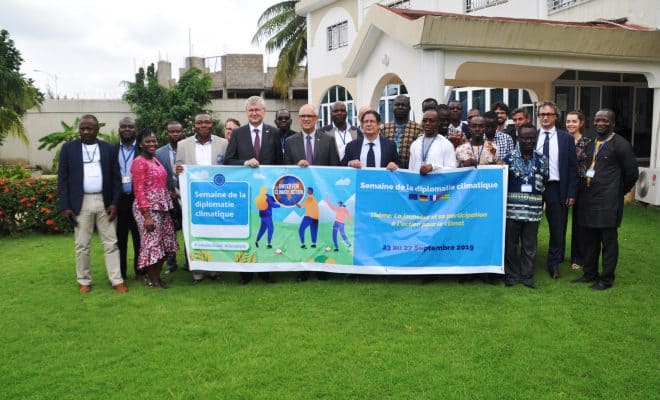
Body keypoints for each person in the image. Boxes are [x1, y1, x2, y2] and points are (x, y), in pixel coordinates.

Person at [57, 114, 127, 293]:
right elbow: (62, 180)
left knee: (111, 242)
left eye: (90, 128)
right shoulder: (68, 149)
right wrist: (65, 206)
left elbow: (116, 179)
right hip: (81, 202)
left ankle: (116, 279)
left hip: (105, 201)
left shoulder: (108, 149)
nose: (86, 131)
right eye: (83, 128)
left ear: (97, 130)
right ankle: (84, 281)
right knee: (82, 244)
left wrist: (114, 203)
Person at [572, 109, 638, 290]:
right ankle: (589, 274)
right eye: (597, 120)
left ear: (613, 123)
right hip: (589, 200)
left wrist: (618, 191)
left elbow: (632, 173)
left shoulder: (621, 144)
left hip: (608, 202)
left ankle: (606, 279)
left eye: (604, 121)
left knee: (608, 242)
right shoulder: (592, 143)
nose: (600, 123)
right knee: (590, 240)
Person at [224, 96, 281, 284]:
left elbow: (280, 164)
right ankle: (245, 272)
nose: (254, 113)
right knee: (247, 230)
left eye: (257, 110)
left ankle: (265, 270)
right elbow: (228, 160)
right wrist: (245, 162)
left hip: (266, 195)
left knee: (264, 231)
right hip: (245, 195)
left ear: (264, 112)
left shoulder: (273, 132)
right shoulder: (238, 133)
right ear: (246, 112)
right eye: (251, 110)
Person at [175, 112, 228, 285]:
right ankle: (197, 272)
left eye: (207, 122)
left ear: (212, 125)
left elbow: (229, 169)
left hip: (217, 198)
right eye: (200, 123)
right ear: (195, 126)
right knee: (195, 233)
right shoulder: (183, 145)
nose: (203, 125)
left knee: (216, 232)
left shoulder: (223, 143)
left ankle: (215, 270)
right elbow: (178, 169)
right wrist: (178, 171)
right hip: (194, 199)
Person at [131, 129, 179, 288]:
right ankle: (153, 280)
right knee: (152, 244)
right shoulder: (139, 161)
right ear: (140, 144)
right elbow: (138, 190)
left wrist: (169, 194)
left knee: (163, 243)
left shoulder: (155, 160)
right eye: (148, 141)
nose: (152, 144)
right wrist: (147, 216)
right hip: (148, 209)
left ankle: (157, 277)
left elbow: (159, 183)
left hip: (162, 206)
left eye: (154, 141)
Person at [503, 124, 549, 289]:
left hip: (533, 211)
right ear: (518, 139)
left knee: (529, 246)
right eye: (525, 138)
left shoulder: (542, 159)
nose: (529, 141)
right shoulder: (508, 159)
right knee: (511, 245)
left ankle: (527, 276)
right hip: (511, 211)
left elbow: (545, 180)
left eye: (531, 138)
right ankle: (511, 275)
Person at [536, 100, 578, 279]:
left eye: (548, 114)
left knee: (558, 228)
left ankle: (554, 264)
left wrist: (571, 192)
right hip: (534, 188)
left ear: (556, 117)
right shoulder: (531, 135)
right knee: (529, 227)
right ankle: (528, 260)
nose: (545, 117)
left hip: (556, 187)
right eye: (542, 114)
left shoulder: (565, 138)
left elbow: (572, 167)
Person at [155, 120, 184, 274]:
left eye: (178, 131)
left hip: (186, 196)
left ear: (182, 132)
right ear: (167, 134)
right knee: (169, 232)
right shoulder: (159, 153)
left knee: (187, 229)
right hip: (168, 197)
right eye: (172, 132)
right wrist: (168, 192)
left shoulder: (187, 149)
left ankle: (189, 262)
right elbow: (157, 177)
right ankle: (171, 264)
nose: (175, 134)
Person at [115, 117, 142, 281]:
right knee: (119, 239)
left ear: (136, 130)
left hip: (137, 200)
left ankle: (140, 272)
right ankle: (121, 273)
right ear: (119, 129)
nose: (127, 129)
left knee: (139, 238)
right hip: (118, 202)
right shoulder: (111, 150)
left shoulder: (142, 149)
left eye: (130, 127)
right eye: (123, 126)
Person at [565, 110, 592, 270]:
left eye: (574, 121)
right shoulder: (562, 140)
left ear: (581, 123)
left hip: (582, 184)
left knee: (579, 223)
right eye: (568, 121)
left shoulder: (588, 143)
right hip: (564, 183)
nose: (570, 124)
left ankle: (579, 257)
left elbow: (590, 167)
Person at [408, 107, 456, 174]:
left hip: (438, 184)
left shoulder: (446, 144)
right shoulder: (415, 144)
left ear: (438, 123)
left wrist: (433, 167)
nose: (427, 123)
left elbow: (452, 170)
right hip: (418, 183)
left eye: (431, 121)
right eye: (424, 121)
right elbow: (411, 170)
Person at [381, 95, 422, 169]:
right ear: (392, 107)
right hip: (388, 171)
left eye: (403, 105)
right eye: (397, 105)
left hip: (409, 172)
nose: (400, 107)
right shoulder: (384, 128)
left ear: (409, 108)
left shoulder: (418, 129)